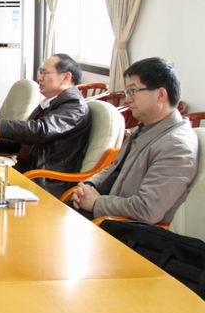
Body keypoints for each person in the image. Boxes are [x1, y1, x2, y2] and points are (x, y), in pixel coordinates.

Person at [70, 58, 198, 224]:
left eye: (132, 91)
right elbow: (114, 168)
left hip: (119, 226)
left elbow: (147, 209)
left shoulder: (176, 145)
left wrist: (96, 203)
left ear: (160, 95)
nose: (128, 99)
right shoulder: (145, 127)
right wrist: (88, 186)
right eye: (127, 92)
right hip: (104, 210)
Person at [0, 54, 91, 198]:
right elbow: (27, 139)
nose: (39, 78)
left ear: (66, 77)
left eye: (44, 73)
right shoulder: (52, 102)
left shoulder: (75, 105)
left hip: (44, 181)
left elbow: (40, 131)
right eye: (40, 72)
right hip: (26, 172)